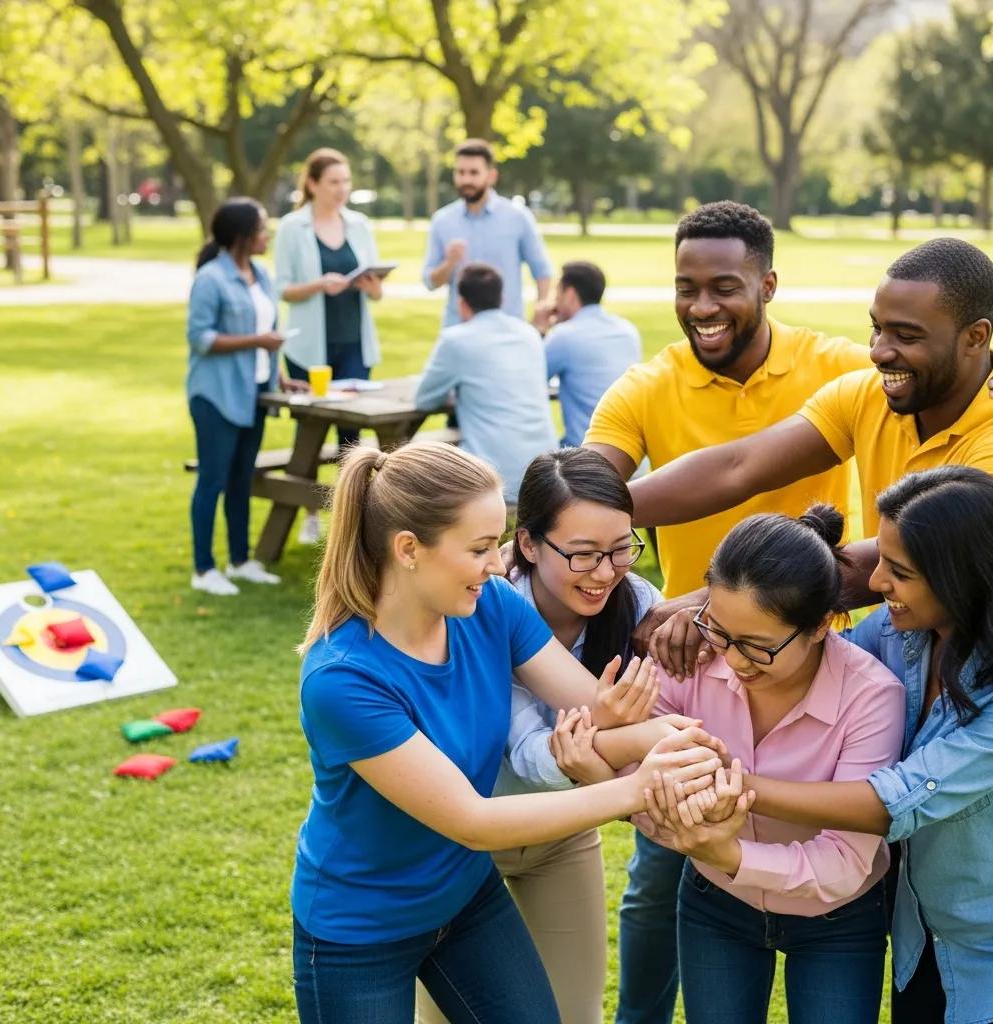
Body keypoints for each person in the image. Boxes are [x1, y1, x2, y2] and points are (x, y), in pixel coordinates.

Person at [291, 440, 724, 1024]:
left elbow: (591, 704)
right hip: (360, 930)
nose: (499, 566)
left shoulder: (490, 605)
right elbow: (472, 820)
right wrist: (638, 787)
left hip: (464, 898)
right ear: (409, 550)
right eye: (478, 549)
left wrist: (672, 736)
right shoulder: (343, 680)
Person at [581, 200, 872, 1024]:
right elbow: (597, 484)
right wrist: (558, 523)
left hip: (817, 666)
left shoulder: (838, 367)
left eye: (724, 287)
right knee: (660, 874)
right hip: (692, 671)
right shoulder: (648, 385)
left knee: (834, 856)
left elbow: (928, 369)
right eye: (685, 286)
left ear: (768, 284)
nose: (702, 306)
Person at [647, 466, 993, 1024]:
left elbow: (888, 802)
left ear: (962, 578)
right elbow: (803, 640)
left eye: (900, 570)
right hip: (919, 926)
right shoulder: (899, 634)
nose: (877, 581)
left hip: (991, 941)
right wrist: (713, 616)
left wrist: (731, 786)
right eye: (881, 559)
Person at [627, 237, 993, 613]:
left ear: (975, 337)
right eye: (877, 328)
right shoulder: (865, 395)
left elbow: (911, 553)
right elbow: (737, 468)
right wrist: (597, 510)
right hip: (897, 635)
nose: (878, 351)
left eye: (906, 336)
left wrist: (713, 603)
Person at [417, 447, 664, 1024]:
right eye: (582, 555)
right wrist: (619, 735)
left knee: (574, 1015)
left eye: (622, 549)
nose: (605, 572)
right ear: (527, 544)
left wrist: (606, 749)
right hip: (464, 841)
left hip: (563, 835)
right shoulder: (480, 610)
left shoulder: (637, 606)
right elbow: (528, 752)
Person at [635, 504, 905, 1024]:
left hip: (838, 919)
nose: (732, 661)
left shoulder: (872, 698)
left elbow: (847, 859)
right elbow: (638, 768)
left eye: (758, 648)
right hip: (715, 902)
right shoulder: (696, 654)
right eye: (719, 630)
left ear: (822, 625)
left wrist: (732, 853)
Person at [275, 147, 384, 543]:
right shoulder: (292, 227)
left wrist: (372, 287)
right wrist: (321, 284)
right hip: (310, 348)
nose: (342, 189)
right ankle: (308, 515)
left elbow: (375, 294)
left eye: (346, 181)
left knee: (351, 438)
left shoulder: (359, 224)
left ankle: (350, 523)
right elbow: (282, 289)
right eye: (334, 182)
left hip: (353, 342)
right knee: (310, 435)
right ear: (313, 184)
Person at [185, 197, 286, 596]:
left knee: (242, 479)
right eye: (262, 228)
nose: (268, 235)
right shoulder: (211, 278)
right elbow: (200, 338)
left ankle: (241, 561)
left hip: (254, 394)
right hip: (216, 396)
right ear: (243, 236)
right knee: (213, 480)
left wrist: (280, 375)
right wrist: (256, 341)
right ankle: (203, 568)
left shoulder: (261, 275)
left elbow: (269, 330)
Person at [415, 263, 558, 503]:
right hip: (545, 469)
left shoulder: (456, 340)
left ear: (461, 303)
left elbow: (424, 399)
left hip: (490, 475)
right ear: (501, 298)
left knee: (424, 478)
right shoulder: (529, 333)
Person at [423, 138, 552, 328]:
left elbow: (543, 272)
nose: (466, 180)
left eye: (474, 173)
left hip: (507, 331)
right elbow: (430, 283)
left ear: (491, 176)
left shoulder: (517, 217)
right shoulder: (442, 221)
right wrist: (449, 263)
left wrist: (539, 321)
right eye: (461, 172)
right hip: (458, 331)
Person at [533, 261, 642, 447]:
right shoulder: (627, 330)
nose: (555, 301)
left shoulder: (565, 335)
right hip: (634, 452)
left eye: (557, 293)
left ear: (569, 294)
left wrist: (540, 329)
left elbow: (527, 379)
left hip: (588, 454)